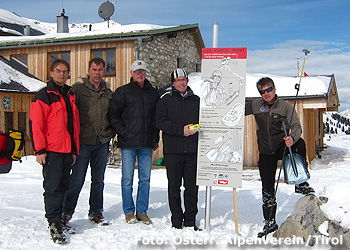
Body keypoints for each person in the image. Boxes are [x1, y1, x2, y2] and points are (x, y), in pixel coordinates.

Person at [245, 77, 314, 237]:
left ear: (274, 89)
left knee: (299, 143)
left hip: (283, 145)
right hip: (265, 151)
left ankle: (300, 182)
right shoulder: (256, 105)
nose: (266, 93)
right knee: (267, 188)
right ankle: (269, 222)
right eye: (262, 91)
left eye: (268, 90)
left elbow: (296, 126)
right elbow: (238, 110)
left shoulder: (285, 107)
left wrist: (292, 137)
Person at [29, 59, 80, 244]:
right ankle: (53, 222)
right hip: (51, 150)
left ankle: (59, 219)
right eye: (58, 71)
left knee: (63, 186)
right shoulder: (43, 96)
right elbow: (36, 125)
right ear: (51, 73)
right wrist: (40, 150)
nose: (61, 74)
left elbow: (73, 125)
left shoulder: (69, 94)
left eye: (65, 71)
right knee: (52, 188)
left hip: (67, 150)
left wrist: (74, 150)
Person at [62, 58, 114, 225]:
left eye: (100, 70)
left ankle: (96, 211)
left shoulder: (108, 92)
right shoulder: (78, 89)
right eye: (94, 69)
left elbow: (112, 115)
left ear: (104, 71)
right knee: (77, 178)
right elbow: (68, 112)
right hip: (83, 141)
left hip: (102, 141)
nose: (97, 73)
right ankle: (66, 212)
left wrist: (111, 133)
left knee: (98, 180)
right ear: (89, 70)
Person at [109, 60, 159, 225]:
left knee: (145, 179)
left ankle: (142, 212)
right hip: (128, 143)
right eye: (137, 71)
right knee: (127, 180)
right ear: (131, 73)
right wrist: (122, 132)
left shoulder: (153, 93)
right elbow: (113, 115)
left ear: (146, 73)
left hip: (146, 143)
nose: (140, 74)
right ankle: (129, 211)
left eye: (142, 71)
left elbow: (156, 119)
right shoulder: (123, 92)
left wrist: (155, 138)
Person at [155, 68, 200, 230]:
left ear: (187, 81)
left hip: (193, 151)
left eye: (183, 79)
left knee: (192, 187)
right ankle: (176, 219)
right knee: (174, 187)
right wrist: (181, 130)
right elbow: (160, 122)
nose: (181, 83)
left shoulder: (196, 100)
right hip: (173, 151)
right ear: (173, 83)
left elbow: (204, 120)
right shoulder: (165, 100)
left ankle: (190, 220)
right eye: (178, 80)